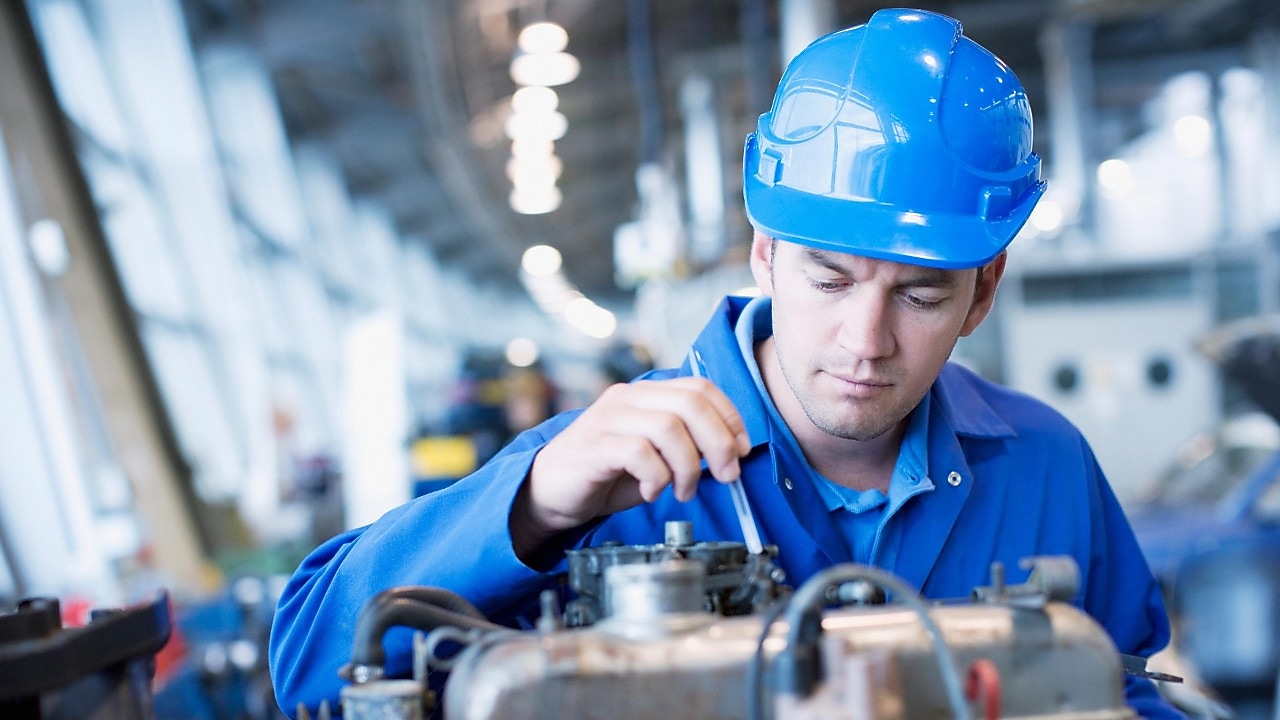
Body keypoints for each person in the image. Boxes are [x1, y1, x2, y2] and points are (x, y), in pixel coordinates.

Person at [269, 8, 1181, 718]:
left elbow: (1122, 686)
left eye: (919, 296)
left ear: (983, 293)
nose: (865, 340)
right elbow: (309, 659)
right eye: (829, 279)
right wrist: (537, 502)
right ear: (764, 255)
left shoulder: (1044, 465)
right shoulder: (613, 474)